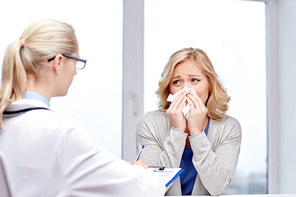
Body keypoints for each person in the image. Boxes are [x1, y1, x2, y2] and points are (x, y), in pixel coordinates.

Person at [0, 19, 165, 197]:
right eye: (76, 61)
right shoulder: (60, 133)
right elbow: (141, 190)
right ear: (59, 61)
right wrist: (140, 173)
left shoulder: (8, 122)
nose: (75, 71)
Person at [136, 47, 242, 196]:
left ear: (210, 85)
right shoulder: (149, 124)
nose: (186, 89)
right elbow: (151, 186)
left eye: (194, 80)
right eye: (177, 82)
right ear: (169, 89)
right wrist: (177, 131)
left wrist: (197, 133)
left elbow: (218, 186)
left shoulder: (228, 127)